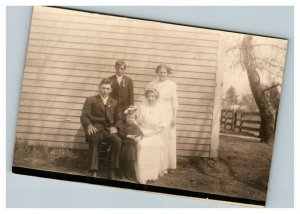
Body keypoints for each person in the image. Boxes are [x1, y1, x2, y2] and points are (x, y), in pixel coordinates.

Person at [80, 78, 122, 179]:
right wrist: (89, 125)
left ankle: (112, 170)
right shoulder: (91, 100)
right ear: (99, 88)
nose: (105, 91)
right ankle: (93, 170)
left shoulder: (115, 102)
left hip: (108, 130)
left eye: (107, 89)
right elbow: (84, 116)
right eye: (103, 88)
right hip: (95, 128)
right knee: (94, 140)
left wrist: (116, 127)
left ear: (111, 90)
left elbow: (119, 118)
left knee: (117, 141)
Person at [147, 64, 179, 172]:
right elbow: (148, 99)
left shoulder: (172, 85)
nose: (163, 74)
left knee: (166, 139)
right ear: (157, 72)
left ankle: (164, 166)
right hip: (156, 111)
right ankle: (154, 163)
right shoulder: (152, 84)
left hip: (167, 113)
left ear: (168, 73)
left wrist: (174, 117)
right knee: (156, 136)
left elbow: (174, 103)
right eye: (161, 72)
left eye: (165, 72)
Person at [135, 87, 165, 184]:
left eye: (153, 96)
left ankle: (152, 174)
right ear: (146, 97)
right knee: (142, 145)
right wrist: (142, 132)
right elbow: (138, 123)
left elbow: (161, 126)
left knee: (156, 144)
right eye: (149, 96)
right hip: (142, 132)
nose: (151, 98)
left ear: (156, 97)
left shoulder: (161, 109)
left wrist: (151, 133)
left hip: (155, 133)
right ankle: (142, 175)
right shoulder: (142, 107)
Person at [117, 106, 144, 181]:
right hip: (125, 144)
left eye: (132, 117)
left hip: (132, 145)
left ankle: (129, 173)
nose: (130, 119)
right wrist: (128, 136)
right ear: (125, 118)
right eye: (128, 117)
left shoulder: (136, 127)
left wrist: (139, 137)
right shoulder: (123, 126)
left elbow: (142, 133)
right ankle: (122, 173)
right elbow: (120, 133)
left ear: (135, 119)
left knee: (130, 160)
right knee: (124, 159)